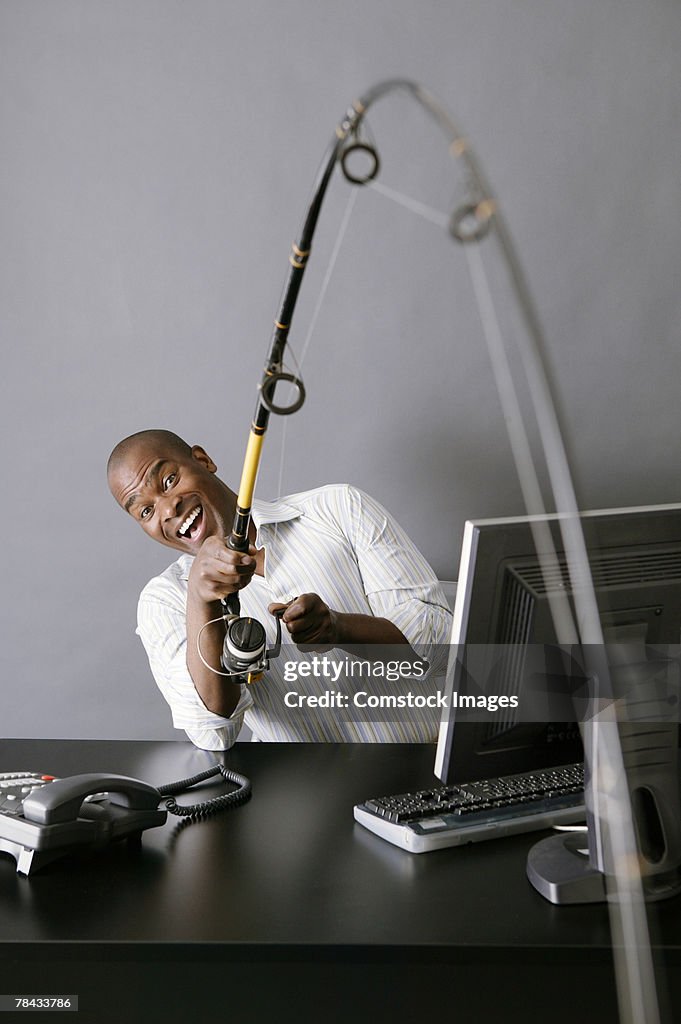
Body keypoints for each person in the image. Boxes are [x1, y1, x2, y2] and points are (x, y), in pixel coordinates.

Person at [107, 429, 452, 750]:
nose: (168, 509)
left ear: (203, 460)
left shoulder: (339, 508)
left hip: (427, 776)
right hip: (303, 806)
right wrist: (201, 600)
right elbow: (214, 733)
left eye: (169, 480)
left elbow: (445, 649)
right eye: (145, 510)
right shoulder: (164, 600)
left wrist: (340, 628)